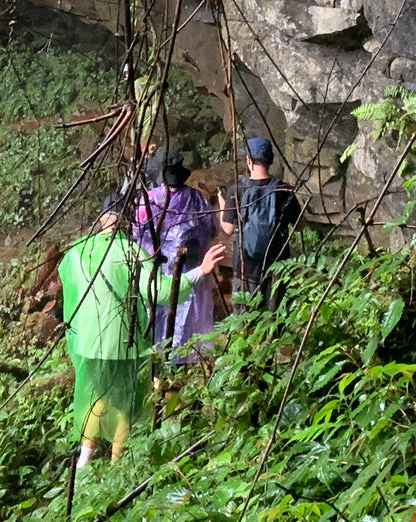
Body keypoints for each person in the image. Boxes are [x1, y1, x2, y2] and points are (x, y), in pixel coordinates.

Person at [60, 192, 226, 467]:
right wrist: (201, 270)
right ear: (126, 221)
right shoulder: (131, 253)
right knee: (125, 402)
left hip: (87, 341)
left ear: (101, 219)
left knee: (95, 394)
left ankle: (84, 460)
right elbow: (160, 293)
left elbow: (69, 285)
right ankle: (117, 466)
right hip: (122, 341)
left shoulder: (77, 251)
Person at [132, 148, 218, 359]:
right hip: (191, 267)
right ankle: (185, 359)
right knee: (188, 315)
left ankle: (161, 361)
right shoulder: (196, 198)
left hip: (157, 269)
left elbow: (135, 233)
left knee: (160, 314)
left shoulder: (149, 199)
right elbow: (211, 229)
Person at [218, 137, 299, 312]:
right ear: (270, 160)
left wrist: (222, 206)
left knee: (245, 316)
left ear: (248, 160)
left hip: (245, 265)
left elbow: (228, 229)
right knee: (274, 316)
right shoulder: (284, 190)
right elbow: (298, 225)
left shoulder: (236, 190)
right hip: (277, 262)